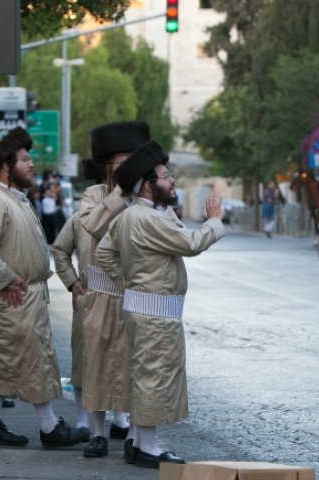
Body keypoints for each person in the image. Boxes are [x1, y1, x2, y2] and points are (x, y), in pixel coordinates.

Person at [95, 141, 225, 468]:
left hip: (141, 309)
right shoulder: (147, 219)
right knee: (154, 376)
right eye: (166, 177)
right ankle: (148, 448)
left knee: (143, 374)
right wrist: (214, 221)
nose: (172, 182)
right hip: (154, 314)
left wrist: (130, 283)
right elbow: (192, 243)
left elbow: (104, 254)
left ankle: (139, 442)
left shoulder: (130, 215)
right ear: (149, 185)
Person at [0, 127, 86, 448]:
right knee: (32, 359)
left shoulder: (13, 199)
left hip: (24, 294)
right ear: (7, 166)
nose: (31, 165)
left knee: (11, 360)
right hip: (13, 296)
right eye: (24, 159)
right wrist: (8, 277)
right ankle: (49, 427)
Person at [78, 121, 150, 459]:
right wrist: (119, 193)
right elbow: (92, 226)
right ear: (108, 166)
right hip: (101, 294)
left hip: (135, 294)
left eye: (130, 162)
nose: (126, 169)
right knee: (98, 363)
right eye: (119, 164)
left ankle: (136, 434)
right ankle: (97, 432)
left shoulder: (145, 195)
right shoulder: (94, 195)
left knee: (135, 365)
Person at [50, 158, 109, 442]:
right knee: (83, 363)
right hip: (87, 299)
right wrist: (73, 282)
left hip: (120, 298)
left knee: (118, 361)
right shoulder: (77, 220)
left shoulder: (128, 214)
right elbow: (59, 250)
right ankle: (84, 422)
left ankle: (120, 419)